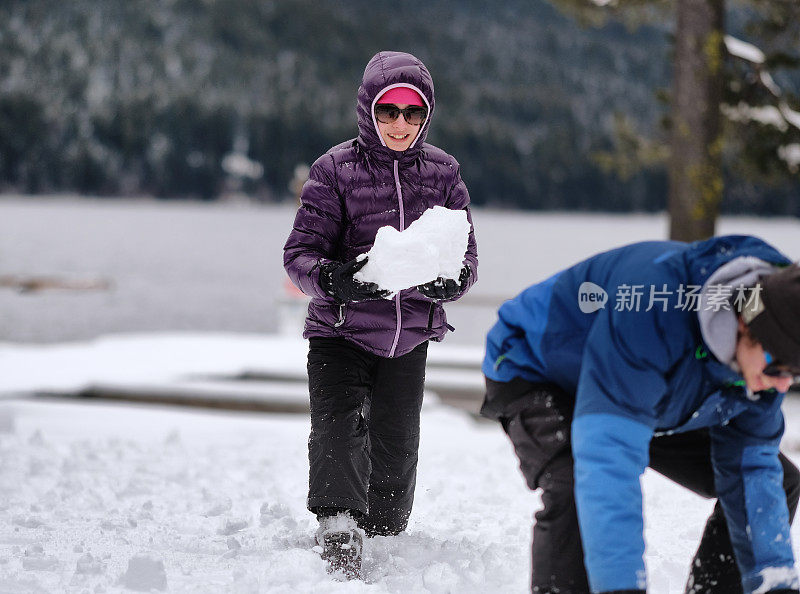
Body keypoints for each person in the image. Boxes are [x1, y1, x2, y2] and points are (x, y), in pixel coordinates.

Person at [480, 235, 800, 594]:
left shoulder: (767, 351)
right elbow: (608, 458)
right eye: (778, 367)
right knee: (576, 483)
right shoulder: (652, 306)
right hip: (538, 366)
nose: (783, 385)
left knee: (779, 478)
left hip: (654, 392)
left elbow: (751, 469)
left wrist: (775, 584)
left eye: (795, 374)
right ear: (745, 324)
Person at [283, 50, 478, 579]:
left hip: (407, 337)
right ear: (369, 110)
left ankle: (383, 535)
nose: (400, 123)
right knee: (339, 426)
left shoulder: (443, 173)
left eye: (412, 113)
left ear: (426, 116)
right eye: (388, 111)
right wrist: (334, 279)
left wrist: (452, 280)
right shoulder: (334, 170)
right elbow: (298, 256)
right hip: (340, 331)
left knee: (394, 457)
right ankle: (338, 526)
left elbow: (467, 258)